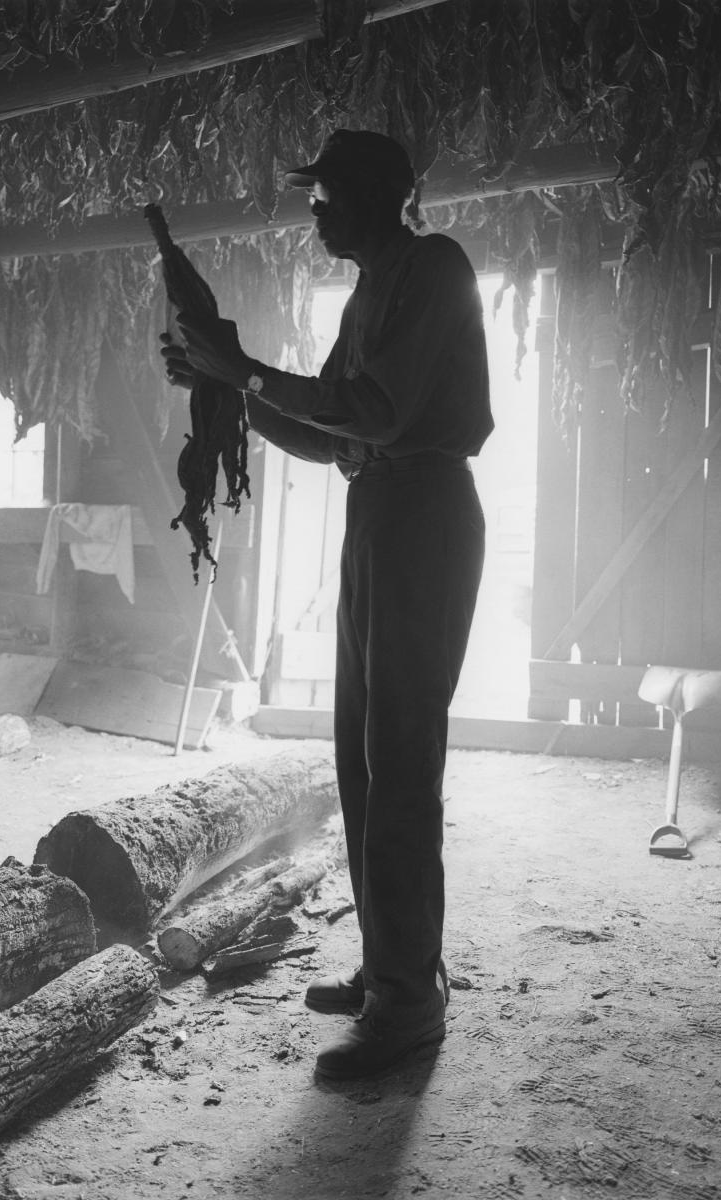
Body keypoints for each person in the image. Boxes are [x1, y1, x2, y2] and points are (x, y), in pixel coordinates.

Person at [160, 129, 493, 1079]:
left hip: (426, 511)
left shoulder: (433, 269)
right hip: (381, 507)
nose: (315, 210)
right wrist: (232, 393)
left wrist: (248, 374)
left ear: (382, 196)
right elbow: (334, 433)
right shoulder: (369, 290)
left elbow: (381, 415)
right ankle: (395, 967)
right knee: (359, 755)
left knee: (401, 758)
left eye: (328, 195)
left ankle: (408, 1007)